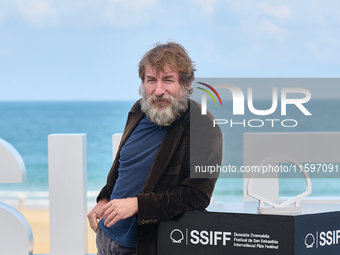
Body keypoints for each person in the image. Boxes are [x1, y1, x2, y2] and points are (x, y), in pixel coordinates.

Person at [87, 42, 222, 255]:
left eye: (168, 80)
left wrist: (138, 204)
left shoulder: (203, 125)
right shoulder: (138, 110)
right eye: (151, 80)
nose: (159, 90)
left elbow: (197, 195)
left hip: (146, 245)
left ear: (186, 84)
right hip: (106, 238)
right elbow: (125, 170)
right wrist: (104, 200)